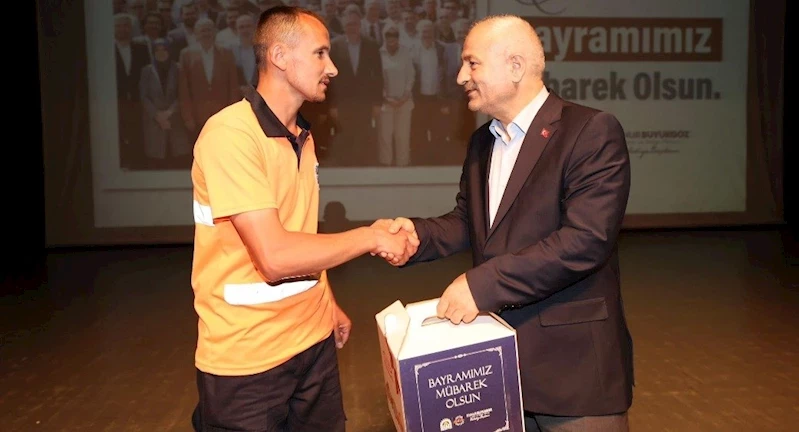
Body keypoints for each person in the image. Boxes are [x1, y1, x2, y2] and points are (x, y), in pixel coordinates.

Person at [377, 14, 634, 432]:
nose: (461, 77)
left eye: (472, 63)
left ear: (515, 66)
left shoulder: (590, 131)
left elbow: (585, 240)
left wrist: (481, 286)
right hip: (500, 370)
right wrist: (418, 236)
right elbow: (471, 221)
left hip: (574, 373)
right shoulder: (483, 141)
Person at [189, 6, 418, 432]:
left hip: (313, 343)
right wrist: (371, 237)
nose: (332, 68)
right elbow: (275, 257)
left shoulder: (301, 136)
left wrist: (325, 301)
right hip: (248, 359)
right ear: (279, 55)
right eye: (320, 54)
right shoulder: (230, 136)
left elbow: (300, 233)